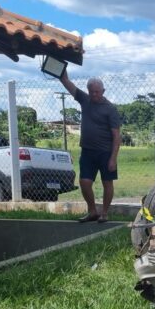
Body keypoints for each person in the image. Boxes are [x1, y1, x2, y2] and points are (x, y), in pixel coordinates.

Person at [59, 69, 121, 222]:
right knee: (84, 182)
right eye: (91, 92)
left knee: (107, 183)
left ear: (103, 91)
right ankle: (92, 211)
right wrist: (61, 68)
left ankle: (104, 213)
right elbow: (67, 82)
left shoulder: (110, 109)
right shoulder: (85, 100)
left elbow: (116, 136)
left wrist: (113, 158)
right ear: (88, 91)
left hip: (106, 152)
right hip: (87, 152)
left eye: (97, 92)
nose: (94, 95)